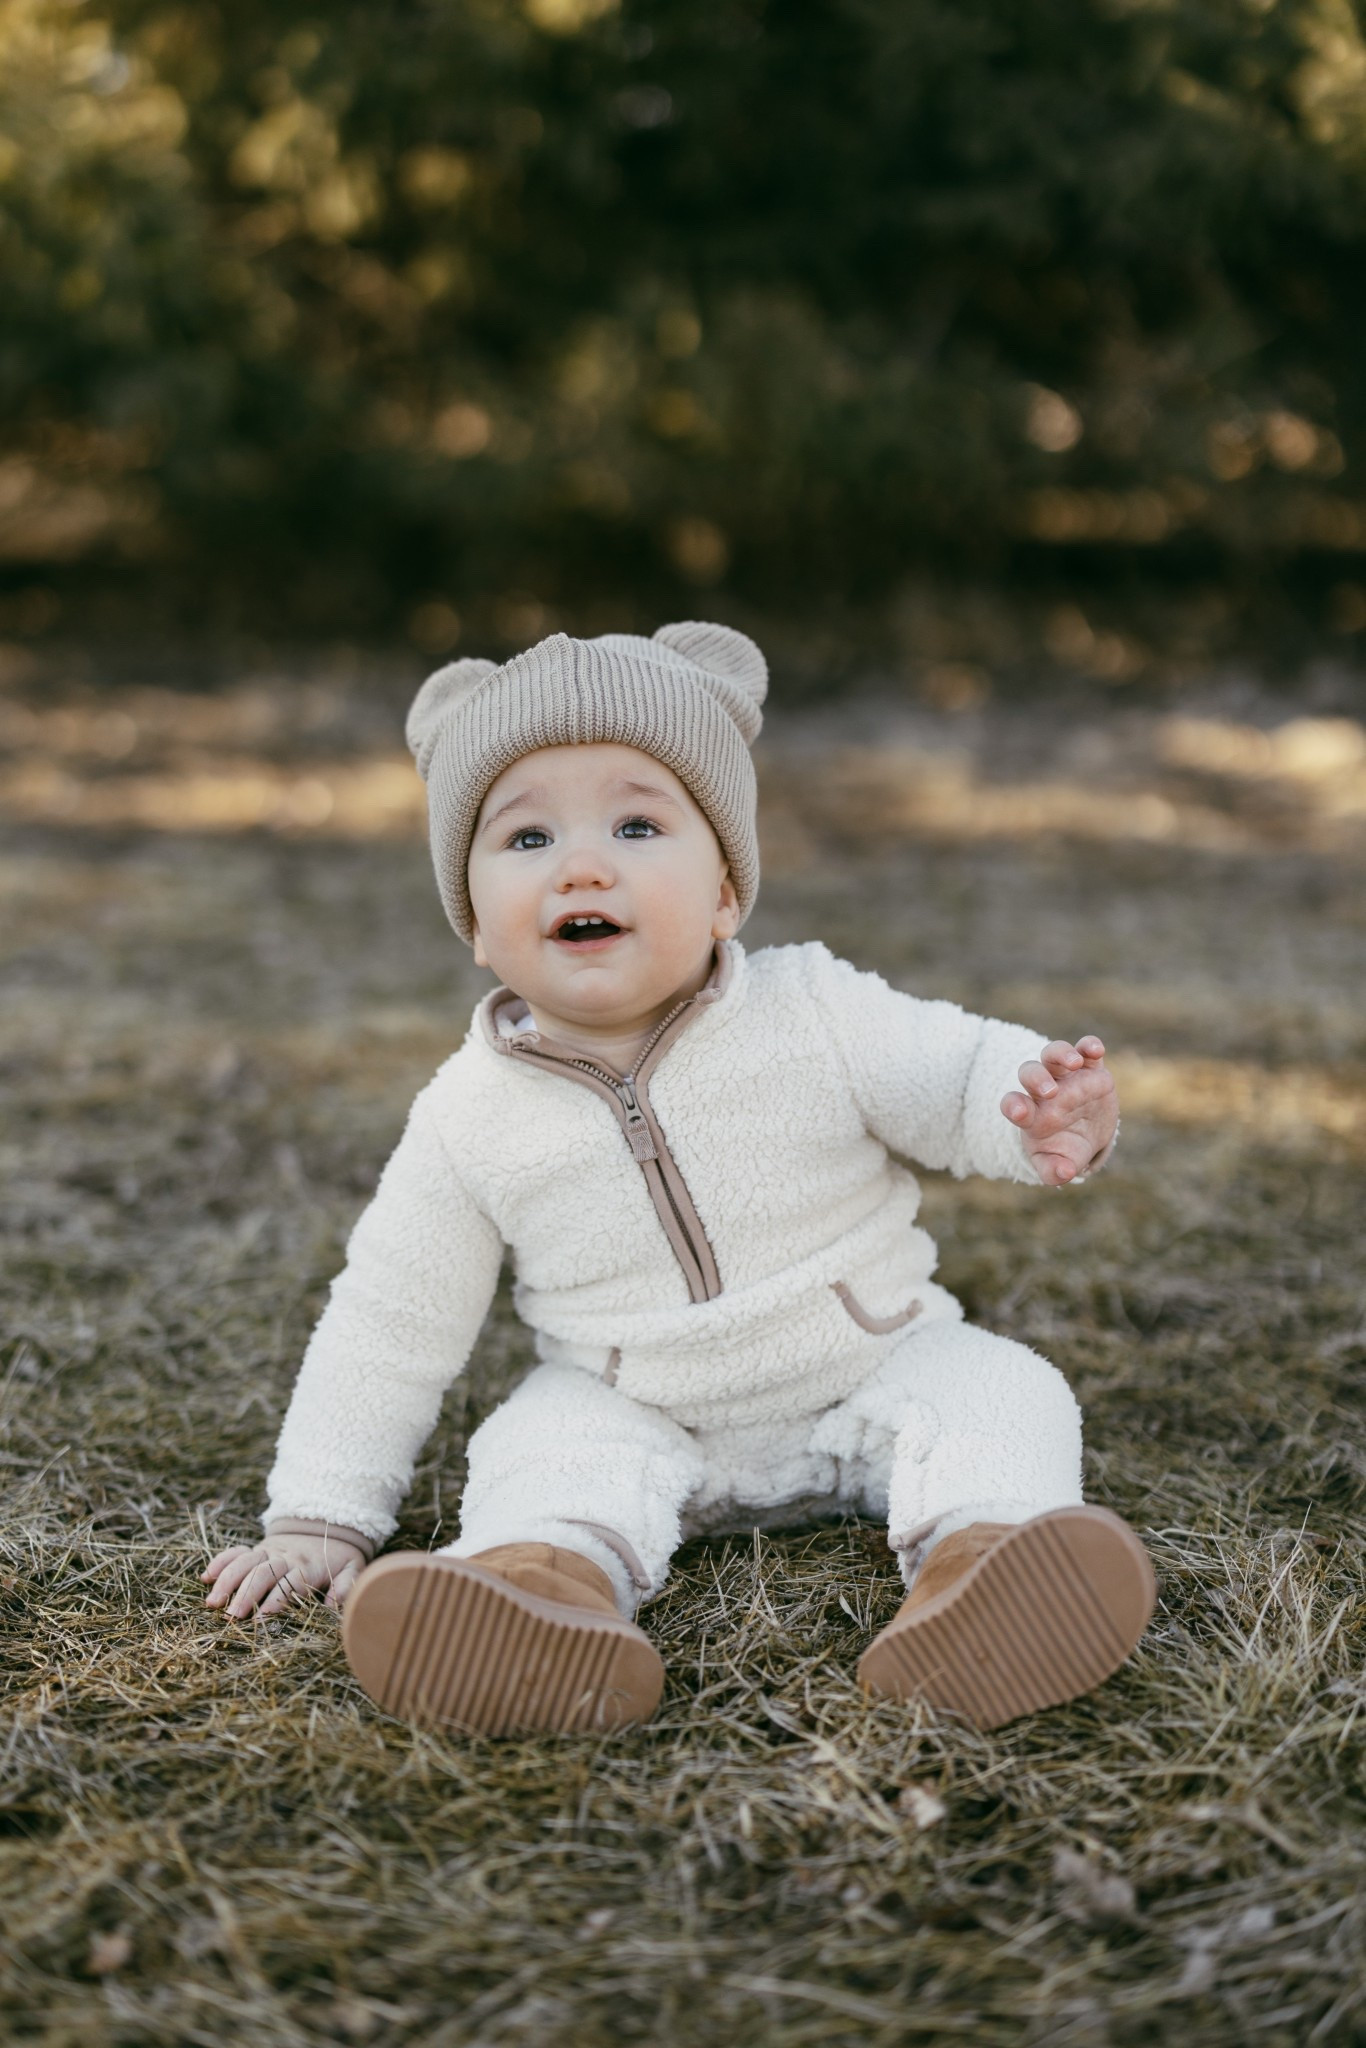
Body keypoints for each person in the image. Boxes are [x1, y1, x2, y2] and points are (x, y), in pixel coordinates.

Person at [203, 621, 1155, 1736]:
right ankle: (539, 1592)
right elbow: (389, 1321)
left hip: (869, 1362)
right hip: (637, 1403)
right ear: (472, 923)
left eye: (638, 822)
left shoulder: (813, 1007)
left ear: (724, 892)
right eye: (524, 838)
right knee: (536, 1444)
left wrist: (1035, 1104)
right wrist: (320, 1514)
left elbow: (949, 1075)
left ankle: (986, 1563)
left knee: (1001, 1387)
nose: (581, 862)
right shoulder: (467, 1115)